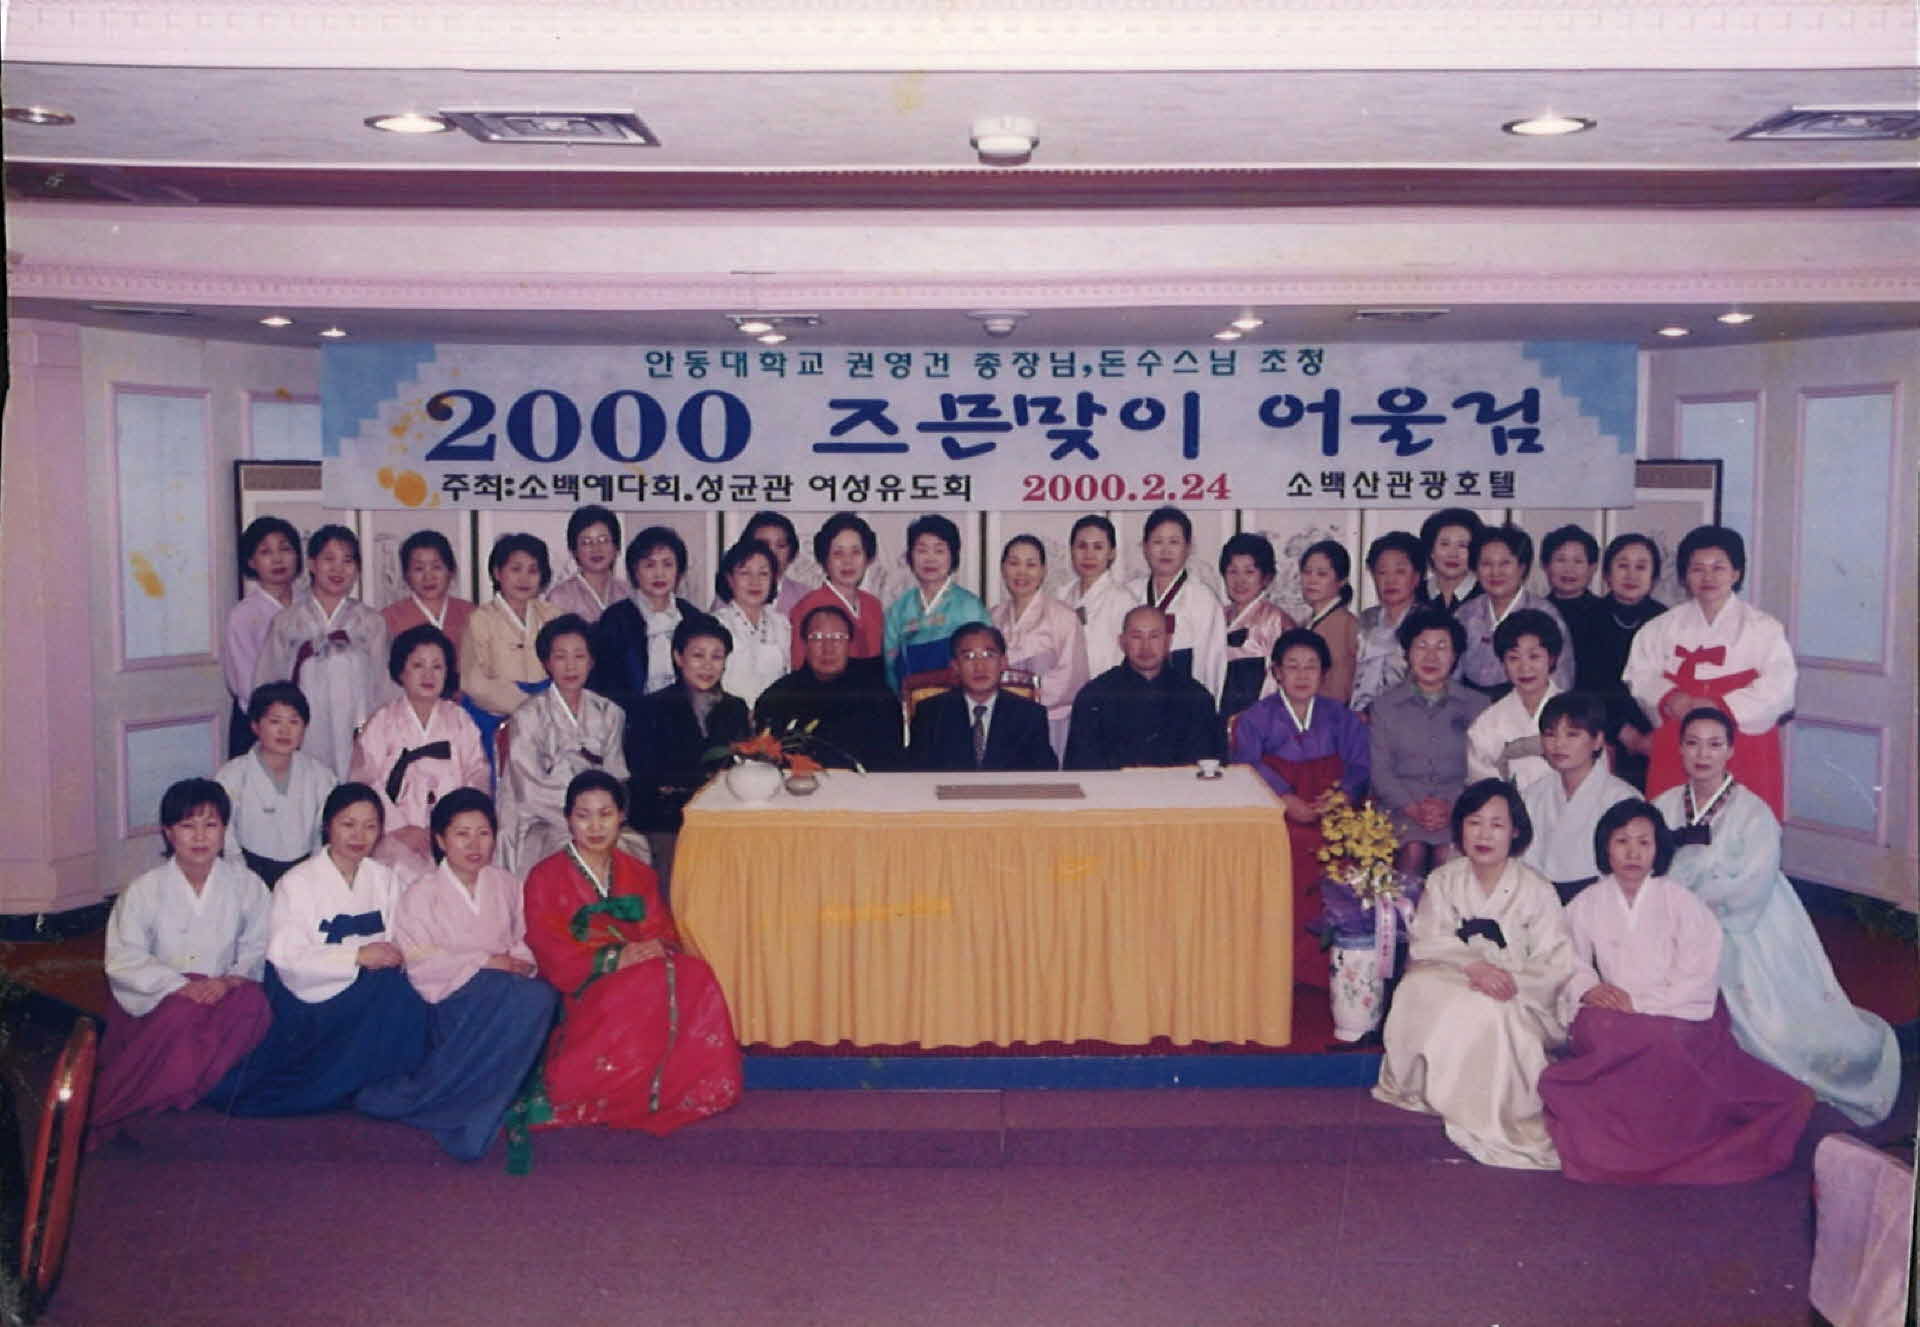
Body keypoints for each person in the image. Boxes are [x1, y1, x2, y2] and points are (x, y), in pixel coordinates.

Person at [1539, 799, 1813, 1185]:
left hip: (1677, 1008)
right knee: (1598, 1028)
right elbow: (1566, 956)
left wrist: (1643, 1004)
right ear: (1605, 847)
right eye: (1622, 842)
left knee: (1665, 1038)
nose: (1633, 853)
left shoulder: (1681, 902)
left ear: (1658, 849)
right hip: (1614, 1009)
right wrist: (1589, 988)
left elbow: (1698, 973)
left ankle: (1666, 1141)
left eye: (1644, 842)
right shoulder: (1588, 902)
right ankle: (1620, 1136)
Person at [1653, 708, 1899, 1125]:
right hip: (1675, 923)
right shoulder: (1662, 806)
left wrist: (1694, 909)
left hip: (1745, 926)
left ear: (1731, 751)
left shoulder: (1754, 813)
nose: (1703, 754)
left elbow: (1752, 885)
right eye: (1692, 743)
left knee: (1772, 1027)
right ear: (1679, 749)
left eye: (1714, 744)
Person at [1372, 779, 1580, 1170]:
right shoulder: (1444, 880)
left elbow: (1556, 961)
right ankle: (1432, 1085)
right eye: (1474, 823)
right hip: (1458, 976)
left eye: (1497, 825)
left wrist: (1504, 979)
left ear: (1515, 831)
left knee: (1489, 1008)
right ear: (1461, 828)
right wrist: (1474, 966)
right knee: (1418, 986)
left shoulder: (1536, 889)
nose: (1484, 834)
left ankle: (1485, 1110)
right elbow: (1427, 940)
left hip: (1516, 989)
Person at [521, 771, 743, 1136]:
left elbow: (661, 929)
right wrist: (613, 959)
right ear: (568, 819)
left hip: (639, 969)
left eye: (605, 814)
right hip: (583, 981)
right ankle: (614, 1090)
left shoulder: (637, 872)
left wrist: (653, 947)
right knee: (644, 984)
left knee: (695, 974)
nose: (595, 826)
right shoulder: (545, 877)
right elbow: (548, 945)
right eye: (583, 815)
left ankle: (677, 1087)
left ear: (621, 816)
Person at [207, 783, 431, 1117]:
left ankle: (374, 1081)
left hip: (371, 986)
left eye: (370, 826)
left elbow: (405, 933)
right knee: (389, 992)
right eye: (348, 824)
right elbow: (286, 955)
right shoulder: (297, 882)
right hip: (313, 994)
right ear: (328, 825)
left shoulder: (385, 879)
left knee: (404, 990)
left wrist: (398, 952)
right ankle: (341, 1084)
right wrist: (355, 957)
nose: (359, 836)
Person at [359, 789, 556, 1161]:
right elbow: (418, 958)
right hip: (453, 999)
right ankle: (464, 1109)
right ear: (440, 840)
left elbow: (523, 938)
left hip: (506, 989)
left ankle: (466, 1108)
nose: (474, 844)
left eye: (483, 833)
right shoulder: (421, 893)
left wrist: (521, 961)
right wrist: (483, 961)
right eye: (462, 834)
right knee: (529, 1000)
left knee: (539, 997)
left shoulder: (507, 885)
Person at [89, 780, 272, 1140]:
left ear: (224, 830)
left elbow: (257, 947)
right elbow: (124, 958)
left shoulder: (247, 885)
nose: (200, 836)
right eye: (188, 825)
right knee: (183, 1013)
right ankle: (112, 1107)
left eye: (211, 824)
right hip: (162, 999)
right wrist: (179, 986)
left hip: (222, 993)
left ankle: (172, 1088)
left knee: (254, 1004)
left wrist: (227, 981)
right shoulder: (144, 890)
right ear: (168, 832)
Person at [1230, 628, 1370, 990]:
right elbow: (1247, 765)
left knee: (1345, 858)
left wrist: (1339, 795)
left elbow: (1359, 766)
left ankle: (1330, 968)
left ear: (1324, 673)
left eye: (1311, 666)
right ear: (1276, 672)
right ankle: (1278, 966)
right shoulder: (1256, 718)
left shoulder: (1341, 717)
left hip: (1333, 814)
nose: (1302, 675)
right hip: (1277, 815)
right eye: (1292, 666)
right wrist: (1286, 799)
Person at [1626, 525, 1795, 817]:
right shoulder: (1660, 627)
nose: (1708, 577)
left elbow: (1780, 687)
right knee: (1672, 819)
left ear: (1736, 573)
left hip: (1742, 739)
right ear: (1684, 576)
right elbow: (1639, 674)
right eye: (1697, 569)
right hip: (1680, 733)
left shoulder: (1763, 628)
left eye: (1718, 567)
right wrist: (1668, 697)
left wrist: (1722, 706)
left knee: (1743, 822)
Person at [496, 614, 643, 874]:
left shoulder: (610, 713)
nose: (570, 666)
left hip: (598, 818)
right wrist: (579, 817)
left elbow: (616, 776)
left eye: (579, 656)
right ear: (547, 663)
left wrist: (599, 817)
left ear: (592, 661)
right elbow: (529, 790)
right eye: (560, 657)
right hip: (543, 820)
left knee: (633, 848)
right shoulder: (528, 716)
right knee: (570, 852)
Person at [347, 625, 489, 885]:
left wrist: (450, 826)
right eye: (418, 665)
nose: (428, 675)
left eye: (437, 667)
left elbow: (477, 775)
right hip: (395, 836)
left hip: (452, 836)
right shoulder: (382, 722)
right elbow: (365, 780)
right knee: (399, 875)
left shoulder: (460, 721)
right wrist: (400, 828)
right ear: (401, 671)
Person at [253, 524, 390, 778]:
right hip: (302, 730)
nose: (338, 569)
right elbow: (267, 683)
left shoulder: (371, 623)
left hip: (356, 727)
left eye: (347, 560)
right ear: (312, 564)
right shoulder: (287, 622)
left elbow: (382, 686)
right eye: (329, 559)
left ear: (357, 569)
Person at [628, 616, 753, 883]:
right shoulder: (650, 708)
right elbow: (645, 775)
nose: (707, 665)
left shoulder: (735, 709)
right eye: (698, 655)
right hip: (667, 822)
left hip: (722, 816)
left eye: (716, 656)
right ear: (678, 657)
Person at [1368, 608, 1489, 877]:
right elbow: (1380, 771)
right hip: (1400, 808)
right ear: (1407, 653)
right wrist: (1413, 808)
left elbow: (1482, 769)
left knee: (1447, 853)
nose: (1431, 657)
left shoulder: (1478, 705)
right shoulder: (1385, 706)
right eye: (1421, 646)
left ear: (1455, 655)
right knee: (1413, 850)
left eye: (1441, 647)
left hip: (1460, 808)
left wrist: (1452, 805)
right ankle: (1402, 906)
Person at [1063, 605, 1222, 771]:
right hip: (1114, 787)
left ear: (1168, 642)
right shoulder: (1094, 696)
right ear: (1122, 642)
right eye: (1136, 637)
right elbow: (1080, 766)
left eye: (1154, 636)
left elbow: (1206, 764)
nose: (1146, 647)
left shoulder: (1196, 697)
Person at [1519, 692, 1639, 903]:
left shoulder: (1623, 799)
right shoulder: (1532, 795)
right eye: (1550, 734)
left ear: (1598, 740)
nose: (1559, 744)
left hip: (1600, 904)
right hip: (1538, 903)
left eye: (1572, 734)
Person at [215, 682, 338, 887]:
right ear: (255, 726)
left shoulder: (321, 776)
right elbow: (226, 837)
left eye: (294, 721)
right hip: (248, 871)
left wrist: (314, 875)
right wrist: (241, 877)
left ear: (305, 727)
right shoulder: (232, 776)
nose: (285, 730)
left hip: (305, 872)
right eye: (275, 721)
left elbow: (323, 836)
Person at [755, 604, 904, 771]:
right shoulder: (779, 696)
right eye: (817, 637)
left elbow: (890, 759)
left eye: (838, 637)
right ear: (804, 643)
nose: (828, 648)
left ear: (850, 643)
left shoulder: (876, 693)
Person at [908, 623, 1057, 772]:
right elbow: (916, 771)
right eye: (969, 657)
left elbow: (1045, 771)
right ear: (955, 666)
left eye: (988, 655)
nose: (979, 667)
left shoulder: (1029, 715)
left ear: (1003, 663)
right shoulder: (931, 714)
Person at [991, 534, 1089, 760]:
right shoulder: (994, 616)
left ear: (1043, 571)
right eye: (1014, 563)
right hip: (1002, 721)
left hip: (1049, 720)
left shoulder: (1063, 616)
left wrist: (1021, 698)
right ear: (1003, 569)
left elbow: (1071, 678)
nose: (1021, 572)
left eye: (1031, 564)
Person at [590, 525, 704, 719]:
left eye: (667, 564)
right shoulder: (615, 619)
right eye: (649, 565)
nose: (659, 574)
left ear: (679, 571)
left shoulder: (692, 617)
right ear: (635, 571)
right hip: (630, 720)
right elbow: (605, 686)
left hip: (686, 719)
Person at [1454, 524, 1575, 697]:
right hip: (1470, 706)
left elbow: (1561, 681)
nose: (1495, 572)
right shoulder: (1465, 614)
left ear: (1522, 567)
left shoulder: (1545, 613)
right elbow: (1451, 675)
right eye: (1486, 564)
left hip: (1529, 705)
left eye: (1505, 563)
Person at [460, 533, 562, 731]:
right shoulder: (479, 619)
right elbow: (474, 682)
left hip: (548, 715)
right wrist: (527, 705)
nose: (524, 578)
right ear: (497, 573)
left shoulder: (553, 615)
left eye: (533, 570)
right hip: (494, 717)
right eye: (516, 569)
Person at [1125, 506, 1227, 703]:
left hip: (1183, 704)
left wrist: (1203, 710)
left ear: (1188, 547)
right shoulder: (1129, 593)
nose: (1165, 550)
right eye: (1157, 542)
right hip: (1132, 699)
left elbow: (1212, 666)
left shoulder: (1203, 600)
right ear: (1145, 547)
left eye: (1174, 542)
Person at [223, 516, 301, 758]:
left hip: (307, 720)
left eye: (285, 549)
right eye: (265, 552)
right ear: (251, 562)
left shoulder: (309, 605)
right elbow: (247, 685)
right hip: (260, 723)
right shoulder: (245, 614)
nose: (277, 559)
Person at [884, 513, 989, 690]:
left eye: (939, 551)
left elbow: (985, 661)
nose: (930, 559)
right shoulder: (899, 610)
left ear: (952, 556)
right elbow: (890, 666)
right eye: (922, 550)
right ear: (910, 556)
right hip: (912, 701)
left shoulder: (970, 607)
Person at [1465, 609, 1563, 788]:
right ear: (1503, 663)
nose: (1524, 667)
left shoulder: (1577, 713)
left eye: (1534, 656)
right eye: (1513, 658)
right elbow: (1482, 784)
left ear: (1551, 659)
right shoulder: (1488, 723)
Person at [787, 512, 886, 673]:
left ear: (868, 558)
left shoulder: (873, 605)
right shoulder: (807, 607)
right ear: (825, 559)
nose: (848, 561)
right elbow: (799, 669)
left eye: (856, 552)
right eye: (838, 553)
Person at [1216, 532, 1295, 722]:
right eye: (1233, 571)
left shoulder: (1275, 620)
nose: (1240, 581)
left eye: (1249, 572)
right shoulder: (1217, 616)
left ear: (1266, 577)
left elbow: (1281, 680)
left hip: (1259, 717)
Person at [708, 537, 792, 709]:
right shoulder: (715, 624)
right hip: (726, 716)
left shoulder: (782, 624)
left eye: (763, 573)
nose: (755, 582)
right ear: (730, 579)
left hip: (773, 717)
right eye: (745, 573)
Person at [1350, 531, 1425, 715]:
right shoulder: (1364, 620)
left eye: (1400, 571)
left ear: (1416, 577)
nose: (1390, 580)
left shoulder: (1428, 623)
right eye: (1382, 572)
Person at [1062, 514, 1134, 679]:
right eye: (1082, 546)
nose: (1089, 555)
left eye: (1098, 547)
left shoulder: (1123, 600)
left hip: (1107, 690)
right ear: (1071, 551)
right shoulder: (1063, 595)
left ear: (1112, 553)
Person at [1540, 524, 1610, 695]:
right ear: (1545, 565)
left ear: (1593, 568)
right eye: (1560, 560)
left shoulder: (1606, 614)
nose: (1569, 569)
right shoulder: (1536, 613)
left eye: (1578, 561)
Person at [380, 529, 475, 649]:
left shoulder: (471, 613)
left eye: (436, 567)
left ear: (451, 570)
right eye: (419, 569)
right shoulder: (388, 618)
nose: (428, 577)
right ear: (406, 575)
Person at [1296, 539, 1358, 704]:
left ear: (1342, 580)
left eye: (1322, 574)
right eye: (1307, 572)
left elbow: (1339, 690)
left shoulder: (1346, 624)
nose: (1312, 580)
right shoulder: (1305, 623)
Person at [544, 505, 629, 624]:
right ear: (574, 550)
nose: (596, 549)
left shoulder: (628, 593)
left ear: (616, 547)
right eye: (586, 542)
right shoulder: (559, 597)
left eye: (603, 540)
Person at [739, 510, 811, 620]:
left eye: (781, 546)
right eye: (763, 545)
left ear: (792, 552)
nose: (772, 553)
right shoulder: (730, 592)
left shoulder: (806, 597)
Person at [1418, 508, 1484, 611]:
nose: (1453, 554)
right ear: (1431, 550)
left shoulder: (1488, 593)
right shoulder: (1414, 594)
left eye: (1462, 545)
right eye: (1444, 544)